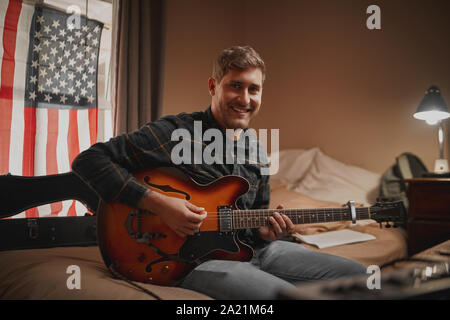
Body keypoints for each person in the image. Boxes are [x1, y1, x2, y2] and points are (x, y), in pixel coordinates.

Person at [72, 45, 366, 299]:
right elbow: (90, 160)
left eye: (254, 89)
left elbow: (254, 223)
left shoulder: (257, 150)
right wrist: (158, 203)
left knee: (361, 278)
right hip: (193, 259)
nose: (245, 99)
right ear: (213, 86)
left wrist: (266, 233)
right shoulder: (177, 132)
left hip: (256, 251)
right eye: (235, 86)